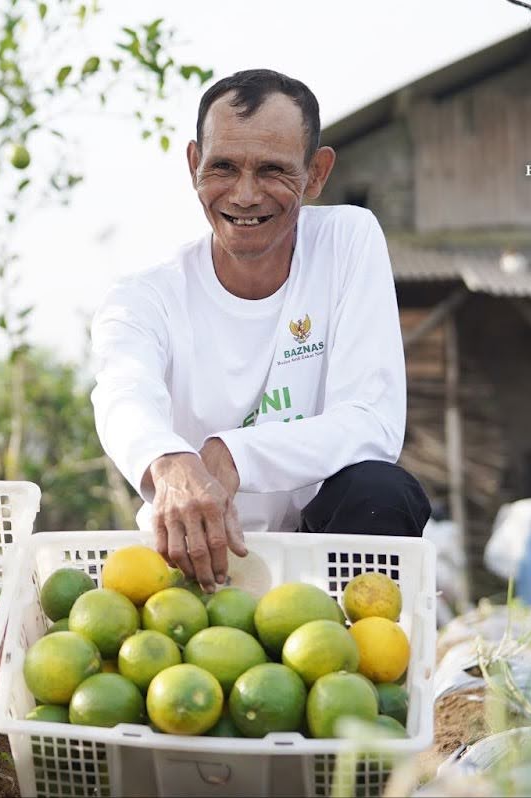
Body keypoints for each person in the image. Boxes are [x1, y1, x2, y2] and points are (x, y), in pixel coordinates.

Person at [90, 69, 431, 593]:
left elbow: (372, 421)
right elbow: (123, 393)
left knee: (381, 490)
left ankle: (359, 638)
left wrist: (234, 453)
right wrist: (168, 460)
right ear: (193, 165)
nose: (245, 195)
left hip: (317, 560)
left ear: (316, 174)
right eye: (223, 167)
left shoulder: (345, 241)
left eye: (272, 170)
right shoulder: (143, 296)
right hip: (190, 559)